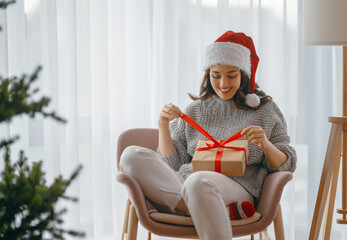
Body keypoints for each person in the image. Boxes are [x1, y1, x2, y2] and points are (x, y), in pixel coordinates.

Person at [119, 30, 297, 240]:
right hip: (186, 182)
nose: (223, 83)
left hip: (237, 186)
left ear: (244, 74)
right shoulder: (195, 110)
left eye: (231, 75)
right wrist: (163, 124)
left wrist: (266, 144)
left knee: (198, 181)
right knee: (130, 156)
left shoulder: (265, 110)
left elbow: (287, 164)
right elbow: (172, 163)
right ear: (207, 74)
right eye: (216, 75)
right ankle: (198, 207)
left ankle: (196, 204)